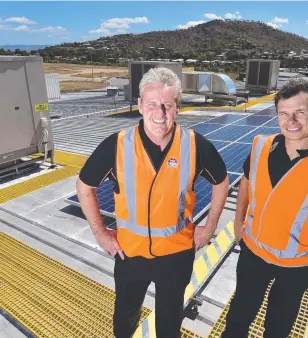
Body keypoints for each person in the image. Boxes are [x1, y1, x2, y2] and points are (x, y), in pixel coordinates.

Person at [76, 67, 229, 338]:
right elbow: (84, 185)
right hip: (129, 254)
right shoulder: (117, 145)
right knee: (124, 319)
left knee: (169, 325)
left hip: (176, 256)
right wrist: (101, 234)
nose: (159, 113)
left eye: (167, 105)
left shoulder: (195, 146)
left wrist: (209, 227)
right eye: (152, 104)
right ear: (139, 105)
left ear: (177, 108)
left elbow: (221, 182)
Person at [221, 77, 308, 338]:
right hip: (253, 254)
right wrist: (238, 221)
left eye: (299, 112)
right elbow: (246, 182)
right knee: (238, 318)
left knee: (277, 328)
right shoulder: (260, 145)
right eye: (284, 114)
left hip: (296, 268)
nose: (291, 121)